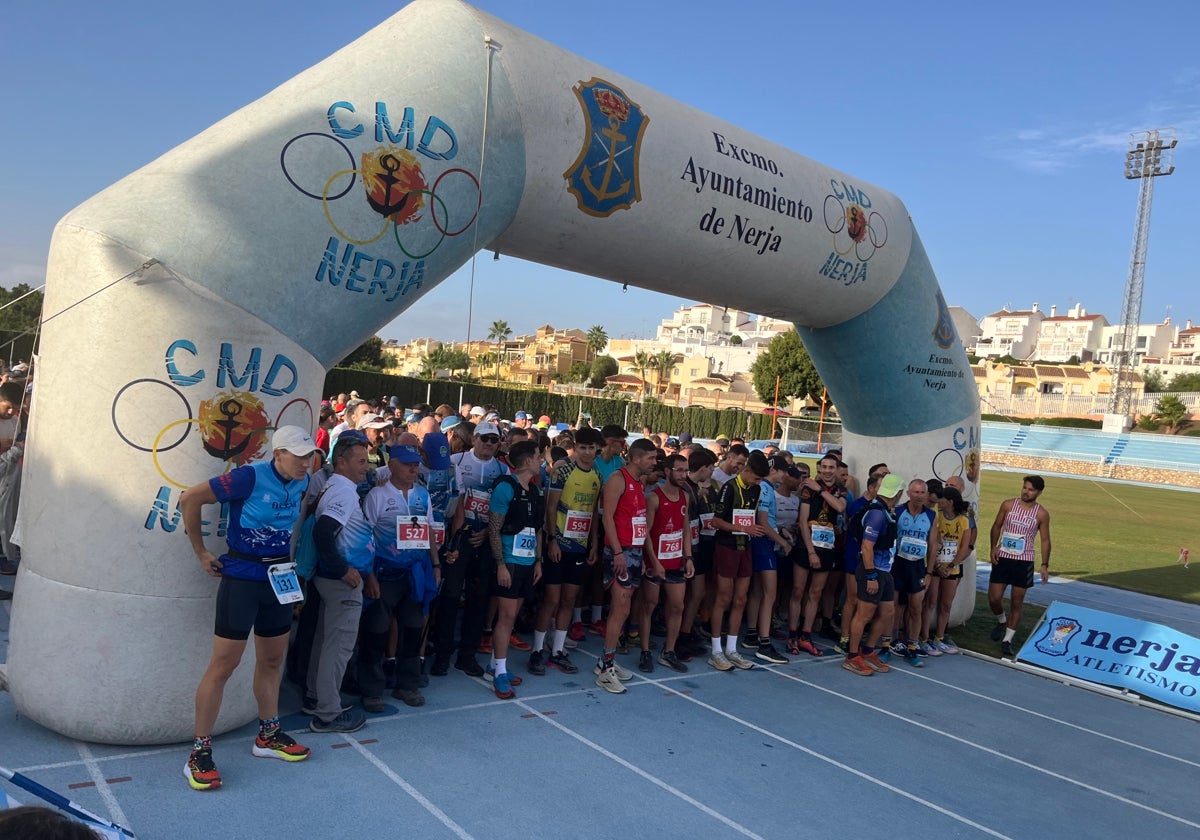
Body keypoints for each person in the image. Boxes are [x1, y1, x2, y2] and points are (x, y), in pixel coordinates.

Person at [180, 425, 319, 791]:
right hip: (241, 578)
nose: (306, 462)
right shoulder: (248, 476)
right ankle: (199, 752)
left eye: (309, 455)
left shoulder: (303, 480)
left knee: (274, 660)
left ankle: (268, 736)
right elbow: (190, 499)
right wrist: (200, 552)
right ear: (278, 454)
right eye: (299, 456)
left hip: (280, 579)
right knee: (224, 665)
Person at [360, 444, 441, 710]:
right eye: (407, 464)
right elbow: (365, 537)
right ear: (391, 465)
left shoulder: (422, 495)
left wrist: (436, 565)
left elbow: (428, 530)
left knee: (413, 628)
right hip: (385, 572)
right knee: (377, 629)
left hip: (415, 572)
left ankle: (408, 685)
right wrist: (369, 575)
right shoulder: (377, 495)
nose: (413, 468)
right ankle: (372, 689)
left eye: (416, 464)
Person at [307, 432, 376, 734]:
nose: (367, 466)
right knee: (338, 648)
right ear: (342, 462)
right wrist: (341, 570)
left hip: (331, 579)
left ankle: (317, 698)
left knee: (325, 642)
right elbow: (323, 532)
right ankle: (328, 714)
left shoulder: (335, 487)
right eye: (361, 461)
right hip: (340, 583)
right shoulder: (344, 492)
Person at [533, 427, 603, 677]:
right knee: (551, 600)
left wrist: (594, 542)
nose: (586, 452)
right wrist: (552, 539)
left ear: (597, 450)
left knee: (569, 600)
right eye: (582, 447)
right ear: (576, 447)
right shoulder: (562, 472)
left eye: (591, 448)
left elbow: (594, 511)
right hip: (559, 544)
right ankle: (538, 650)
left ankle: (558, 651)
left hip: (579, 546)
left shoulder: (597, 475)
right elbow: (550, 507)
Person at [595, 437, 658, 693]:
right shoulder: (618, 480)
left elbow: (638, 521)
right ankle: (606, 667)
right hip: (620, 551)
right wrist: (618, 552)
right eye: (651, 458)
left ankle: (606, 661)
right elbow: (607, 518)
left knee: (625, 607)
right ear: (636, 458)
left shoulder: (638, 483)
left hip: (633, 552)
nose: (655, 462)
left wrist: (640, 556)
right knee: (620, 608)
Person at [707, 451, 770, 671]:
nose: (759, 482)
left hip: (745, 547)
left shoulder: (757, 489)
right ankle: (716, 650)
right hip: (726, 547)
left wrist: (751, 529)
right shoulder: (729, 488)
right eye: (756, 477)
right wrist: (744, 528)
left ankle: (731, 649)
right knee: (723, 597)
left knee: (741, 599)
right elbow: (716, 521)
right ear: (747, 470)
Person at [843, 473, 904, 677]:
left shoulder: (887, 511)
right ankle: (852, 656)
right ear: (899, 492)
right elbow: (867, 546)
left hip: (884, 569)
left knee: (887, 612)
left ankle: (868, 651)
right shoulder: (877, 514)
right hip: (873, 570)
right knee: (864, 614)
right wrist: (870, 576)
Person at [988, 475, 1052, 657]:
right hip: (1004, 557)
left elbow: (1045, 540)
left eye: (1031, 489)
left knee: (1017, 601)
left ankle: (1007, 640)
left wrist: (1044, 564)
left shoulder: (1041, 514)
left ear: (1039, 492)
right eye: (1025, 487)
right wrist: (994, 546)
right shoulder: (1008, 505)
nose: (1026, 492)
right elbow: (996, 526)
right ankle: (1001, 620)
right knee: (994, 598)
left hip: (1024, 561)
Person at [789, 454, 846, 657]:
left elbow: (839, 507)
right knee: (798, 591)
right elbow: (803, 521)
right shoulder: (808, 488)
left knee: (816, 593)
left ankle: (806, 635)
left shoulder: (840, 490)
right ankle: (792, 634)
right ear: (819, 468)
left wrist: (820, 490)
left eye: (832, 467)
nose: (828, 471)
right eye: (825, 467)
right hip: (807, 546)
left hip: (827, 546)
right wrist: (810, 550)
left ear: (837, 469)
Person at [642, 452, 695, 672]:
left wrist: (688, 557)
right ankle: (645, 651)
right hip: (655, 562)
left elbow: (685, 529)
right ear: (667, 471)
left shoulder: (685, 496)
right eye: (679, 470)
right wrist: (654, 561)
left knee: (677, 606)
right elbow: (645, 532)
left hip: (675, 562)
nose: (684, 475)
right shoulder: (654, 497)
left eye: (686, 470)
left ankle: (669, 651)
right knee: (649, 605)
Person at [892, 479, 939, 667]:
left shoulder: (931, 515)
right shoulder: (898, 511)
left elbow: (933, 544)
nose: (919, 496)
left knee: (916, 607)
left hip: (918, 566)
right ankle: (891, 642)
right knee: (894, 606)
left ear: (926, 495)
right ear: (909, 494)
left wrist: (929, 572)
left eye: (922, 493)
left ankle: (912, 646)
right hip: (898, 564)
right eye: (916, 492)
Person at [924, 485, 970, 654]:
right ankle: (923, 638)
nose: (938, 501)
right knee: (930, 602)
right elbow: (933, 542)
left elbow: (964, 547)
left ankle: (939, 638)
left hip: (952, 569)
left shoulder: (964, 520)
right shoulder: (936, 516)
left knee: (946, 606)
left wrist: (951, 566)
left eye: (941, 499)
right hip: (936, 567)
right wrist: (936, 565)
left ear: (949, 501)